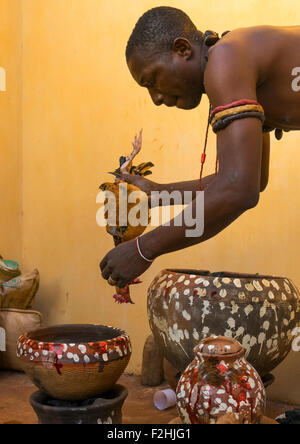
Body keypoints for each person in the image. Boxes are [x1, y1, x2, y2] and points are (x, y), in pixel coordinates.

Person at [100, 6, 300, 290]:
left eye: (152, 79)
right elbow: (248, 182)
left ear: (182, 49)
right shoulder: (234, 62)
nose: (155, 98)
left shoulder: (227, 59)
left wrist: (143, 249)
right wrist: (157, 194)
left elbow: (239, 190)